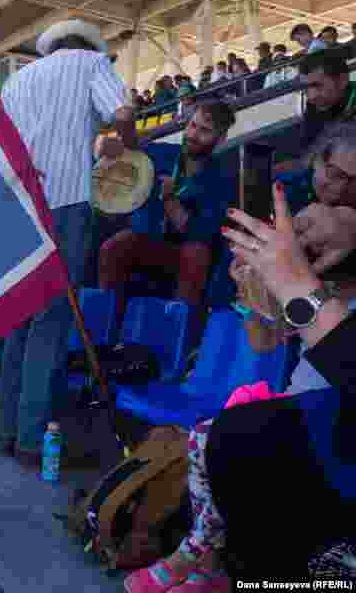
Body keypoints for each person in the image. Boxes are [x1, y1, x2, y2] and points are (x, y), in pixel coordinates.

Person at [124, 181, 356, 591]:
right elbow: (265, 340)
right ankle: (207, 559)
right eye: (331, 172)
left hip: (330, 447)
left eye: (348, 180)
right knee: (211, 439)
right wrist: (254, 295)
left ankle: (199, 558)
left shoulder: (316, 287)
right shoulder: (324, 279)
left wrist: (299, 289)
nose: (336, 190)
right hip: (299, 418)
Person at [0, 19, 138, 467]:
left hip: (18, 206)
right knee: (51, 321)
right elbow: (123, 114)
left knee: (19, 319)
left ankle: (7, 426)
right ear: (85, 46)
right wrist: (129, 146)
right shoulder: (93, 63)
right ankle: (32, 438)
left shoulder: (18, 80)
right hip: (65, 202)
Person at [98, 100, 237, 327]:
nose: (193, 134)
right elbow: (133, 151)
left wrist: (171, 200)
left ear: (220, 139)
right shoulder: (163, 153)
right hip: (148, 242)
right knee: (115, 245)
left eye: (204, 131)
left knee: (196, 254)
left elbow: (201, 235)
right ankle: (105, 330)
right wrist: (121, 133)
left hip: (183, 253)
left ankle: (177, 332)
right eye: (192, 126)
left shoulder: (222, 179)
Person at [275, 49, 356, 174]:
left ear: (342, 80)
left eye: (317, 86)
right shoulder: (315, 106)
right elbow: (309, 149)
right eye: (306, 88)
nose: (311, 96)